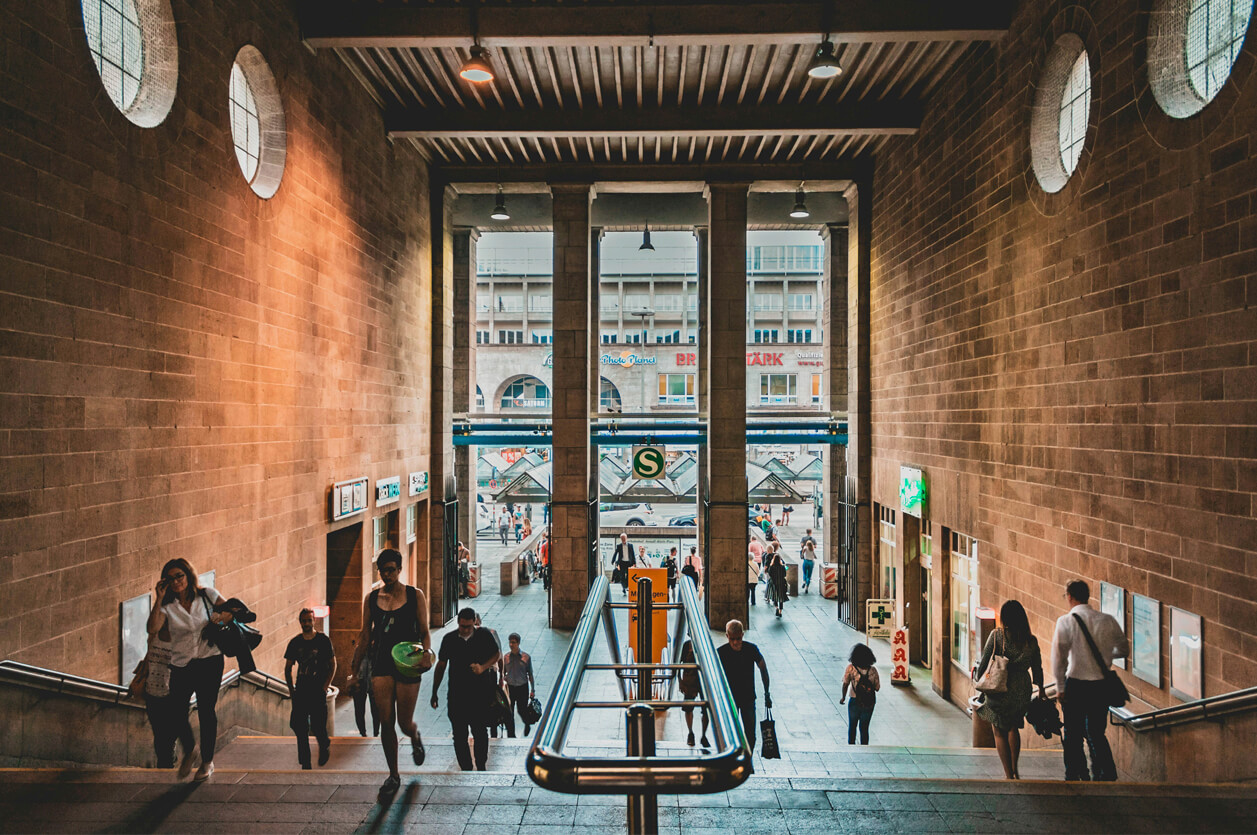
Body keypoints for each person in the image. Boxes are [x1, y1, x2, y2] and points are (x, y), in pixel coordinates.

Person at [350, 549, 432, 797]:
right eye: (383, 571)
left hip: (407, 662)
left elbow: (425, 630)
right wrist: (354, 671)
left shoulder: (415, 595)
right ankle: (393, 774)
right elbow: (365, 634)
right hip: (382, 662)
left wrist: (427, 652)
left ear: (399, 569)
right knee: (386, 721)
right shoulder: (372, 598)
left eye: (391, 570)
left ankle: (414, 736)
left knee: (403, 722)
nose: (387, 575)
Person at [146, 558, 230, 782]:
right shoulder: (167, 607)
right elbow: (152, 628)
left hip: (210, 660)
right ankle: (190, 748)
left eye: (179, 576)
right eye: (171, 578)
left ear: (188, 575)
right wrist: (159, 598)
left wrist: (222, 617)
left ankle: (207, 762)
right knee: (176, 710)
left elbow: (232, 610)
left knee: (206, 711)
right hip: (182, 663)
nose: (176, 582)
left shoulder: (207, 595)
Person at [1051, 579, 1128, 782]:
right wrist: (1106, 657)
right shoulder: (1107, 620)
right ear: (1087, 596)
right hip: (1100, 686)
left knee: (1072, 733)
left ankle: (1074, 774)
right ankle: (1104, 773)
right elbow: (1124, 649)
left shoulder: (1065, 622)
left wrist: (1059, 687)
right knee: (1096, 732)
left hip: (1075, 684)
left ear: (1070, 596)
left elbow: (1058, 658)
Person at [974, 600, 1045, 780]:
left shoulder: (997, 635)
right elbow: (1037, 667)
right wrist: (1041, 688)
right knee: (1014, 727)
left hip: (1000, 687)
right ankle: (1015, 769)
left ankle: (1008, 774)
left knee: (999, 729)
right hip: (1022, 689)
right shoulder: (1031, 640)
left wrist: (979, 678)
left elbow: (984, 661)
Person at [431, 607, 501, 771]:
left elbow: (496, 654)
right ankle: (466, 768)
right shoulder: (449, 639)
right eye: (462, 626)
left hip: (479, 695)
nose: (465, 630)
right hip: (457, 696)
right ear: (458, 623)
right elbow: (441, 666)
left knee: (480, 732)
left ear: (474, 623)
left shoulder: (483, 635)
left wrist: (482, 668)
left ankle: (481, 765)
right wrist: (434, 692)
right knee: (459, 736)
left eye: (469, 626)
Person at [284, 608, 336, 769]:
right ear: (300, 622)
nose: (306, 623)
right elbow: (288, 668)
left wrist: (325, 686)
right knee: (300, 727)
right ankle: (305, 762)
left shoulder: (323, 640)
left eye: (309, 620)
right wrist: (292, 691)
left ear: (314, 621)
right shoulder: (295, 642)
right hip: (301, 689)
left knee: (318, 724)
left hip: (317, 689)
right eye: (303, 621)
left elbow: (333, 665)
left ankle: (324, 744)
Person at [138, 623, 193, 769]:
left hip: (173, 695)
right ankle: (165, 761)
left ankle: (165, 764)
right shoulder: (154, 635)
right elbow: (147, 660)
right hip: (152, 692)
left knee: (168, 737)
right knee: (159, 735)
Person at [717, 620, 770, 751]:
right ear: (727, 636)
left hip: (746, 698)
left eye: (738, 639)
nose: (735, 642)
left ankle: (747, 758)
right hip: (733, 698)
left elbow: (763, 669)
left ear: (743, 634)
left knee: (750, 734)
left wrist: (767, 693)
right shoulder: (721, 652)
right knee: (738, 732)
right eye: (733, 639)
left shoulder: (750, 649)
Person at [840, 643, 880, 745]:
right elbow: (877, 687)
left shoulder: (851, 668)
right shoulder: (873, 670)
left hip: (854, 700)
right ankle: (864, 747)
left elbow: (845, 684)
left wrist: (843, 697)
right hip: (869, 703)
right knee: (864, 727)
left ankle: (851, 746)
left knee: (852, 726)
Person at [502, 633, 537, 737]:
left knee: (522, 710)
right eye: (510, 642)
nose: (511, 645)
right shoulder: (506, 657)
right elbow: (504, 672)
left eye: (513, 642)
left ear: (518, 643)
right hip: (511, 687)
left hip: (522, 687)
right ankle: (511, 733)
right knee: (509, 711)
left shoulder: (526, 657)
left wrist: (532, 690)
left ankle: (527, 723)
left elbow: (530, 674)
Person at [678, 639, 709, 747]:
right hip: (690, 680)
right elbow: (679, 663)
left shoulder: (702, 643)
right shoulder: (687, 645)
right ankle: (691, 733)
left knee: (705, 710)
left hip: (697, 680)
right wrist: (680, 682)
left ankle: (702, 735)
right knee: (689, 707)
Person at [765, 545, 788, 618]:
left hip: (774, 584)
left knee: (775, 597)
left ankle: (776, 608)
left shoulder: (772, 567)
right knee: (781, 597)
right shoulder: (782, 567)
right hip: (781, 583)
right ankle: (780, 611)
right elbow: (784, 574)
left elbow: (770, 574)